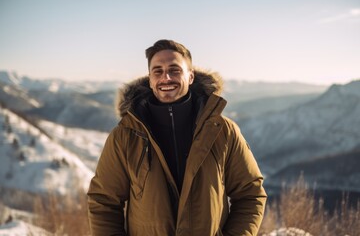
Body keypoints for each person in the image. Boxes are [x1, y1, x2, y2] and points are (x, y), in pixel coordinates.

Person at [87, 39, 267, 236]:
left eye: (174, 70)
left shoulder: (223, 131)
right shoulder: (125, 136)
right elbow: (103, 202)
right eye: (158, 71)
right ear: (150, 79)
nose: (166, 77)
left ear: (190, 77)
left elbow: (250, 194)